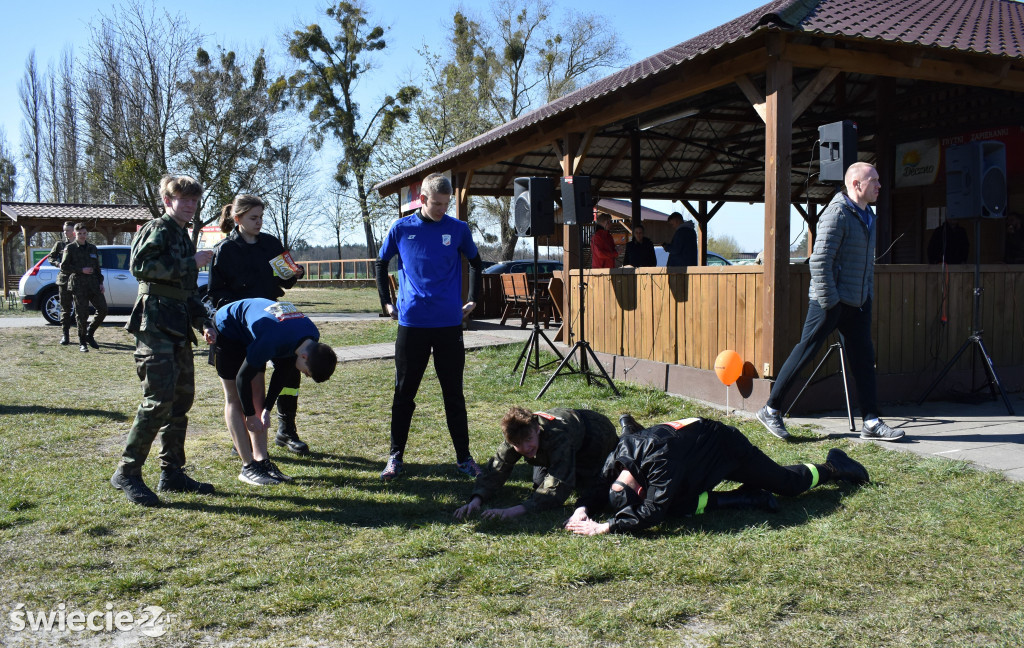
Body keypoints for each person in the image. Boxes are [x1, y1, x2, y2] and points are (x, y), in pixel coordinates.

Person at [755, 162, 904, 442]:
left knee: (863, 360)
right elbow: (820, 261)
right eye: (874, 180)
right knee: (805, 352)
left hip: (858, 303)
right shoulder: (837, 213)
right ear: (856, 184)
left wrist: (866, 295)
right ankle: (770, 409)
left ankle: (871, 422)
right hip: (830, 302)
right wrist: (831, 301)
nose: (879, 185)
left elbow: (866, 264)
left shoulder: (868, 215)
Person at [564, 414, 870, 535]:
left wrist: (604, 528)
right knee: (676, 505)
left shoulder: (659, 464)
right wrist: (582, 509)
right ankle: (745, 497)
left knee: (788, 485)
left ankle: (835, 466)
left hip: (723, 447)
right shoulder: (617, 459)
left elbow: (653, 511)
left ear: (638, 488)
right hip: (688, 454)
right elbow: (600, 487)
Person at [110, 174, 216, 507]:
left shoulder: (184, 237)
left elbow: (186, 291)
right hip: (154, 324)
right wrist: (191, 262)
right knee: (158, 400)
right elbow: (140, 266)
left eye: (194, 200)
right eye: (182, 199)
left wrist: (203, 321)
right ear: (167, 200)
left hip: (177, 326)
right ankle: (127, 472)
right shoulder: (156, 228)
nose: (189, 205)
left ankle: (171, 472)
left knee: (181, 401)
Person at [374, 172, 485, 481]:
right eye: (436, 203)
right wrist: (386, 302)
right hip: (412, 324)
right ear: (421, 200)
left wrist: (474, 298)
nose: (441, 210)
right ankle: (395, 457)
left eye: (446, 204)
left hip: (449, 325)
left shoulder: (458, 229)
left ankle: (463, 458)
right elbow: (381, 264)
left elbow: (477, 263)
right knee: (404, 393)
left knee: (454, 394)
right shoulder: (401, 228)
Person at [207, 194, 311, 456]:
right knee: (246, 381)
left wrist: (295, 273)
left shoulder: (271, 244)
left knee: (288, 373)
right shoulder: (224, 251)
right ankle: (242, 436)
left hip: (274, 319)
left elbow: (285, 279)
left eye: (262, 217)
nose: (259, 222)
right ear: (237, 218)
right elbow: (213, 294)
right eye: (254, 218)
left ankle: (286, 431)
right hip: (241, 326)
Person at [210, 298, 337, 486]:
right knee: (234, 399)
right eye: (307, 372)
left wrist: (266, 409)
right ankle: (248, 466)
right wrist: (250, 416)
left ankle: (262, 461)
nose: (304, 374)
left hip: (255, 331)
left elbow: (283, 371)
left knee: (258, 396)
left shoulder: (311, 337)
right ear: (305, 357)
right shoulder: (272, 339)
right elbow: (241, 379)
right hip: (228, 329)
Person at [453, 406, 618, 522]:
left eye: (528, 440)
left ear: (537, 430)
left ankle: (628, 433)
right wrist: (476, 500)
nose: (525, 448)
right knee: (539, 483)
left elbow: (558, 485)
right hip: (549, 445)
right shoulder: (517, 433)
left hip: (596, 438)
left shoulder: (559, 436)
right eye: (518, 444)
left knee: (590, 489)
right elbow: (497, 467)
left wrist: (512, 511)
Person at [61, 223, 107, 352]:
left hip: (93, 285)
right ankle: (82, 342)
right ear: (75, 234)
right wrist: (81, 270)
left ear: (87, 234)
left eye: (84, 233)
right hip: (78, 285)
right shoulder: (70, 248)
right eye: (80, 233)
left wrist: (101, 283)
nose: (82, 236)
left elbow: (97, 267)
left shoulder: (92, 248)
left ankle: (89, 333)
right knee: (81, 315)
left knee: (103, 309)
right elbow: (64, 267)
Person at [48, 221, 76, 345]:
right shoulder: (60, 244)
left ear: (73, 231)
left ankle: (84, 335)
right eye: (64, 230)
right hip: (64, 279)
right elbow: (51, 258)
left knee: (81, 308)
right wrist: (57, 264)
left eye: (68, 230)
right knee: (65, 308)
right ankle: (65, 335)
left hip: (78, 280)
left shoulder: (79, 244)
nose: (66, 232)